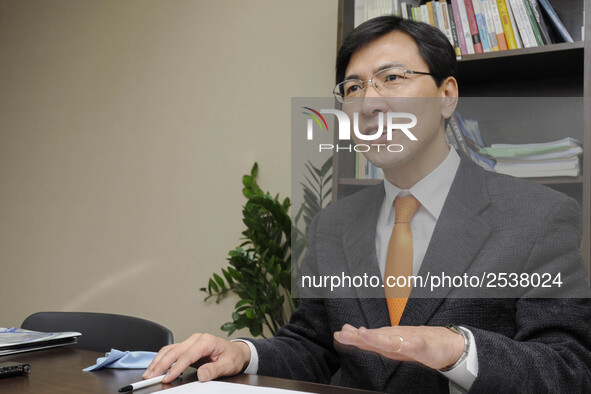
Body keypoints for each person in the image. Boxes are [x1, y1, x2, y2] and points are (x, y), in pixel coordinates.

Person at [144, 16, 591, 392]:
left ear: (447, 95)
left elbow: (570, 368)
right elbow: (313, 345)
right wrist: (244, 351)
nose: (369, 104)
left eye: (392, 78)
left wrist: (459, 349)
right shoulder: (332, 225)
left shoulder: (537, 216)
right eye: (353, 88)